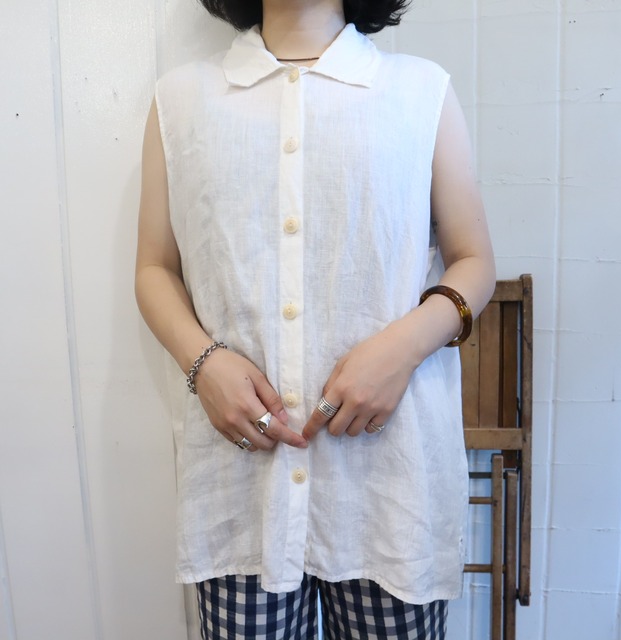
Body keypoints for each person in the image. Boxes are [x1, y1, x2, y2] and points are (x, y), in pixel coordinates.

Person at [135, 0, 495, 638]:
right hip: (243, 494)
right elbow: (155, 268)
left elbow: (474, 261)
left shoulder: (420, 92)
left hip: (388, 491)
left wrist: (402, 349)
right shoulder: (181, 101)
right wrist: (204, 364)